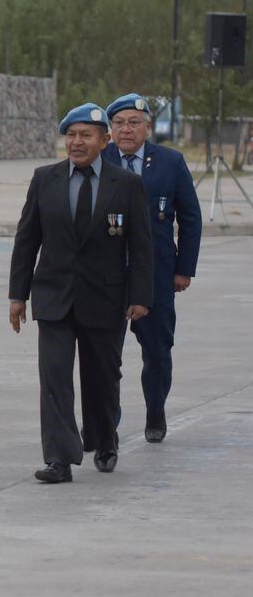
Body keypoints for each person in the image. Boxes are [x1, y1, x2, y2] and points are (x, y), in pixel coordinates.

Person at [9, 102, 154, 483]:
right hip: (54, 295)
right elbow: (27, 240)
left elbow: (141, 246)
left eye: (85, 135)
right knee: (55, 377)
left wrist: (140, 296)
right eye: (70, 135)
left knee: (102, 376)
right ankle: (59, 458)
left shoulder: (127, 184)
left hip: (105, 297)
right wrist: (17, 295)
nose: (76, 142)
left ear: (104, 141)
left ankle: (105, 440)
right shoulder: (45, 178)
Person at [102, 93, 201, 443]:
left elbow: (190, 217)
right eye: (118, 124)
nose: (126, 130)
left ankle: (155, 411)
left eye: (133, 123)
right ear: (109, 129)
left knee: (157, 351)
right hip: (108, 273)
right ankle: (105, 422)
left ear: (147, 128)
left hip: (157, 272)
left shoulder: (170, 162)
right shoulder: (99, 161)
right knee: (103, 353)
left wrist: (184, 268)